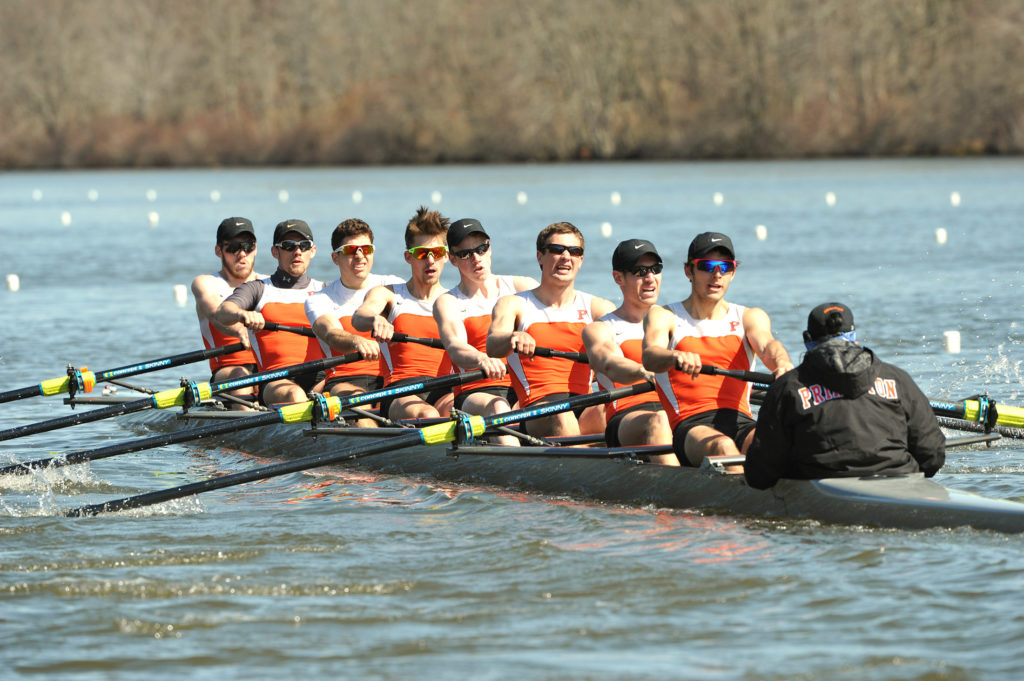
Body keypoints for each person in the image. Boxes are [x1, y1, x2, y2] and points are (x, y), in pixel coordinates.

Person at [744, 302, 945, 489]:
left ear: (807, 340)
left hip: (823, 490)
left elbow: (761, 474)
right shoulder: (897, 378)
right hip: (901, 482)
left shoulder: (787, 387)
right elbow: (932, 455)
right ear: (854, 338)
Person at [643, 232, 794, 467]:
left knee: (777, 444)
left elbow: (768, 346)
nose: (717, 274)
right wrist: (674, 355)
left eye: (725, 266)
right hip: (690, 425)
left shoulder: (749, 317)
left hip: (741, 421)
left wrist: (782, 363)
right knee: (723, 447)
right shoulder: (665, 316)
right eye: (707, 266)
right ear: (688, 271)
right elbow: (650, 356)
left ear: (733, 273)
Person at [487, 222, 615, 438]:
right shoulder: (514, 304)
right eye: (557, 250)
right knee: (562, 415)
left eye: (574, 251)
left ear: (581, 260)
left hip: (585, 405)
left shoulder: (598, 308)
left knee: (618, 410)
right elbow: (493, 345)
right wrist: (512, 337)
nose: (566, 256)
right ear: (540, 256)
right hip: (538, 409)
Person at [433, 218, 538, 445]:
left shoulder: (523, 288)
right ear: (452, 259)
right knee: (499, 406)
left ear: (490, 248)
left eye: (482, 248)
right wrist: (481, 358)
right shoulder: (448, 302)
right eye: (465, 254)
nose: (476, 258)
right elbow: (455, 347)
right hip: (475, 392)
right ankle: (516, 467)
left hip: (523, 387)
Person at [352, 206, 454, 421]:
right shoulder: (388, 294)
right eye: (421, 253)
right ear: (408, 257)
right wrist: (375, 319)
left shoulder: (455, 301)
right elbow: (360, 316)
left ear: (446, 256)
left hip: (445, 389)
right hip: (400, 391)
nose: (430, 261)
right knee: (428, 414)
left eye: (437, 253)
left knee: (460, 410)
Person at [215, 219, 325, 406]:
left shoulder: (324, 290)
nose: (297, 251)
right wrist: (243, 315)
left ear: (312, 251)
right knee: (295, 395)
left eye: (303, 246)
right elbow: (224, 312)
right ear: (275, 252)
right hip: (277, 380)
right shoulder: (257, 289)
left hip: (321, 378)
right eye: (288, 246)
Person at [305, 219, 403, 426]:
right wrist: (356, 341)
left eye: (365, 248)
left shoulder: (393, 285)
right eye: (350, 250)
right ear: (335, 257)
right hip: (344, 380)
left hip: (392, 380)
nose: (359, 255)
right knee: (362, 409)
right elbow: (331, 333)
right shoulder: (320, 299)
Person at [583, 239, 673, 462]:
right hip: (626, 417)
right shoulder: (601, 329)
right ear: (618, 278)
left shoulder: (677, 322)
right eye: (639, 271)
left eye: (655, 269)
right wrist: (643, 371)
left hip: (678, 411)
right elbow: (608, 362)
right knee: (660, 420)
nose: (650, 278)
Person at [190, 217, 264, 409]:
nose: (242, 254)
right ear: (218, 251)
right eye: (233, 248)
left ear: (255, 248)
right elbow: (215, 314)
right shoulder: (207, 283)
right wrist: (239, 329)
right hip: (228, 370)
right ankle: (248, 430)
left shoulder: (269, 283)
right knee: (240, 375)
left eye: (247, 246)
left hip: (269, 369)